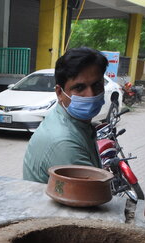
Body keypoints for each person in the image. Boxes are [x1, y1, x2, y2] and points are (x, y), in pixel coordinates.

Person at [23, 47, 107, 183]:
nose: (91, 95)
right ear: (59, 93)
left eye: (97, 85)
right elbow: (90, 196)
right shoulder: (65, 144)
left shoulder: (72, 122)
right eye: (79, 88)